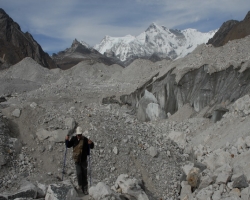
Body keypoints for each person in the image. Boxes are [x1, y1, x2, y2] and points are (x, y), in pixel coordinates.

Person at [65, 126, 94, 195]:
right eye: (78, 135)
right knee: (79, 173)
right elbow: (68, 145)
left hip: (84, 160)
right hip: (77, 160)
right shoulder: (73, 139)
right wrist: (66, 140)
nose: (79, 136)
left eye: (80, 135)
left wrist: (91, 143)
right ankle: (80, 185)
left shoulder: (85, 139)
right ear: (76, 134)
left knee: (84, 174)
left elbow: (92, 147)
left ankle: (85, 188)